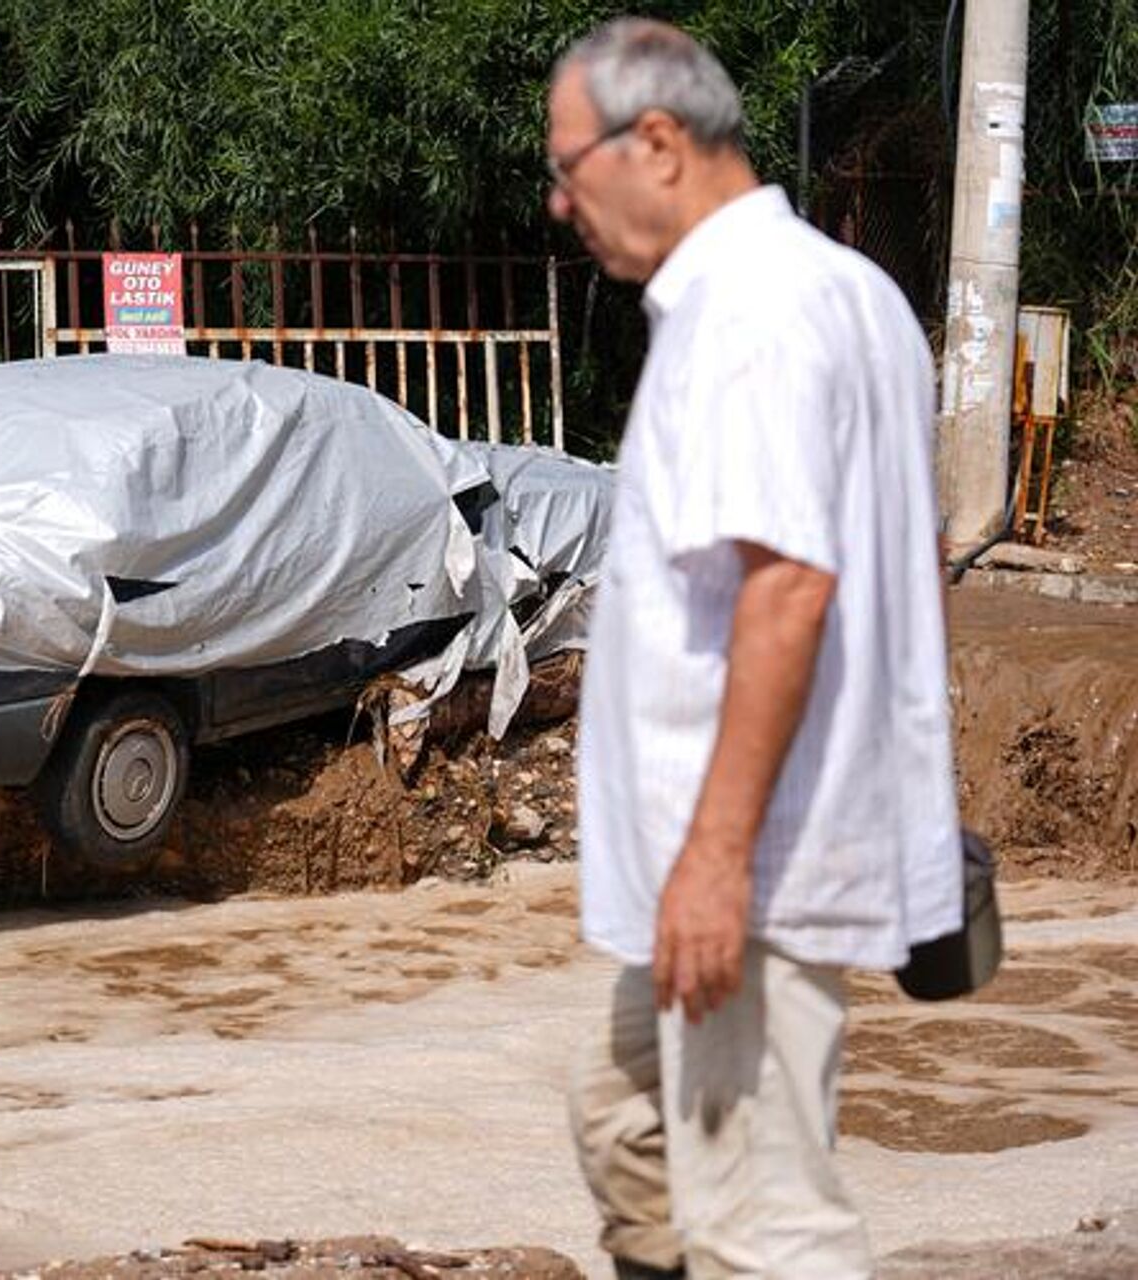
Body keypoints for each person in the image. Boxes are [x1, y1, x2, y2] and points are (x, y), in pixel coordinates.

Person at [546, 18, 964, 1280]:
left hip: (752, 861)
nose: (560, 201)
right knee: (629, 1124)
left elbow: (791, 588)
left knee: (766, 1231)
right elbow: (908, 561)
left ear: (658, 142)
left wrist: (719, 862)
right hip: (748, 846)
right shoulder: (837, 289)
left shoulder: (753, 316)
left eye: (570, 167)